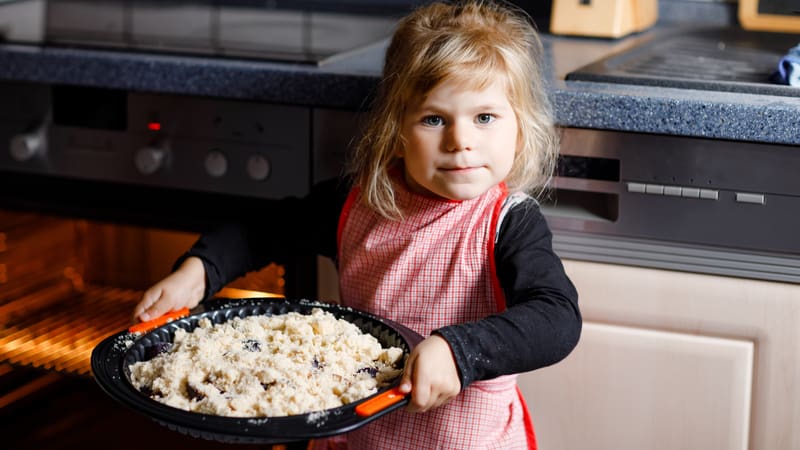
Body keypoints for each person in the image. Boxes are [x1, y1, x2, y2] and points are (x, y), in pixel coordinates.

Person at [133, 0, 581, 448]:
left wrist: (459, 351)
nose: (460, 141)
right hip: (363, 437)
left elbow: (556, 317)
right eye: (433, 119)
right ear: (398, 134)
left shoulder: (507, 223)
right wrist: (199, 270)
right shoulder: (357, 201)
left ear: (519, 131)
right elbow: (264, 229)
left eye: (485, 118)